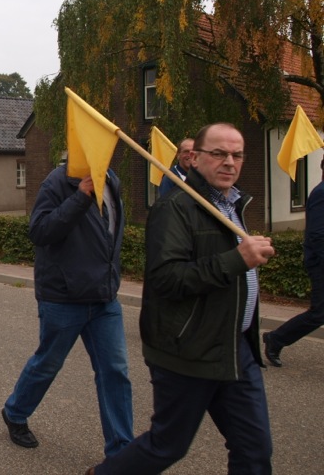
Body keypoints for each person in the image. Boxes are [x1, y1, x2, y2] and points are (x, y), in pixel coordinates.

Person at [87, 123, 276, 475]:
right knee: (167, 446)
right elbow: (167, 279)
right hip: (188, 350)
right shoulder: (174, 208)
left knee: (255, 450)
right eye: (218, 154)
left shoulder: (234, 204)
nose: (229, 162)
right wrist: (239, 260)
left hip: (236, 349)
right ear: (194, 158)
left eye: (236, 155)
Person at [1, 165, 133, 456]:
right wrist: (80, 198)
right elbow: (39, 230)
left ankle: (122, 452)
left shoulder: (112, 180)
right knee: (48, 363)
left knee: (115, 371)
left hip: (104, 298)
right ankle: (15, 412)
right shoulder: (57, 182)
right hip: (63, 297)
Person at [262, 156, 324, 367]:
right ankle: (275, 339)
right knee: (319, 313)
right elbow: (317, 235)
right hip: (320, 263)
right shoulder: (321, 193)